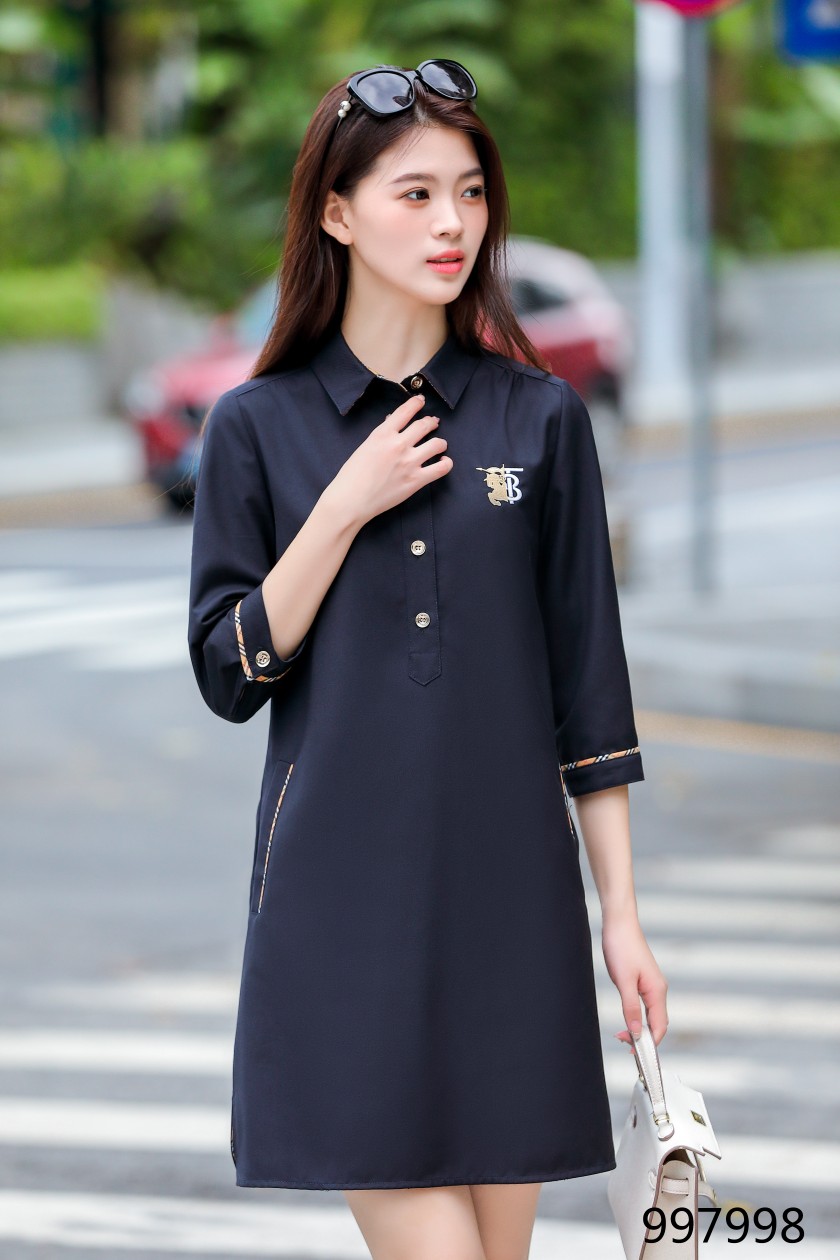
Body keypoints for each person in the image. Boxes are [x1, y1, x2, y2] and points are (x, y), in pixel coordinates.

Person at [187, 58, 669, 1260]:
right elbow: (229, 672)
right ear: (337, 214)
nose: (454, 222)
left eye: (470, 191)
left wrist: (621, 919)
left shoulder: (539, 419)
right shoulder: (256, 427)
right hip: (338, 911)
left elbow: (590, 693)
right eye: (415, 195)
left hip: (513, 912)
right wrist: (343, 507)